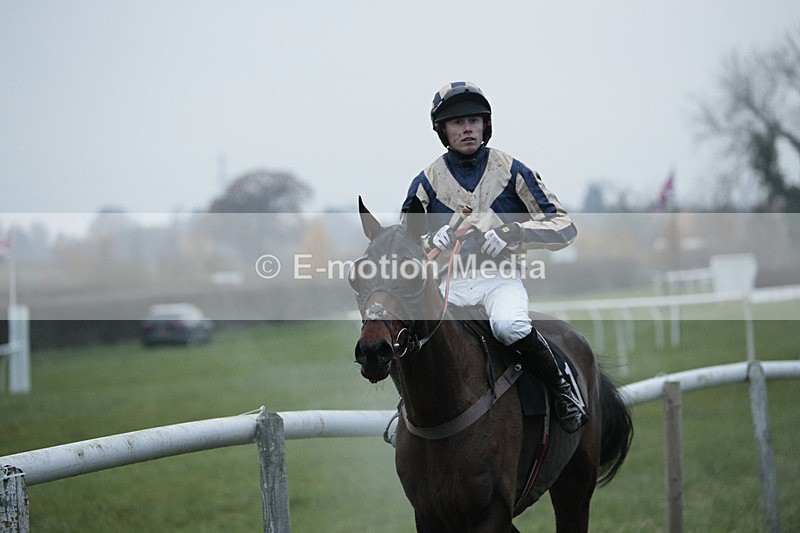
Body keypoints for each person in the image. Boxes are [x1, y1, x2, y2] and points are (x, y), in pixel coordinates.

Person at [401, 81, 587, 433]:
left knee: (510, 326)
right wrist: (429, 241)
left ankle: (562, 388)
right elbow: (404, 245)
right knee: (414, 334)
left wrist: (515, 232)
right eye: (457, 123)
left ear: (485, 124)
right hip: (449, 286)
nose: (467, 129)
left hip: (500, 282)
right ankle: (407, 415)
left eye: (473, 120)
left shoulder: (513, 170)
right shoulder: (426, 181)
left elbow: (564, 227)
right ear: (443, 130)